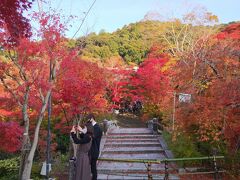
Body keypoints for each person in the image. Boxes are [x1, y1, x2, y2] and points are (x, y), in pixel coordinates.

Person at [86, 114, 102, 180]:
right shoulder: (91, 127)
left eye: (89, 119)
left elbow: (92, 137)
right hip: (89, 150)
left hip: (94, 150)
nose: (88, 121)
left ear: (92, 118)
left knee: (93, 168)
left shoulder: (97, 128)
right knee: (89, 167)